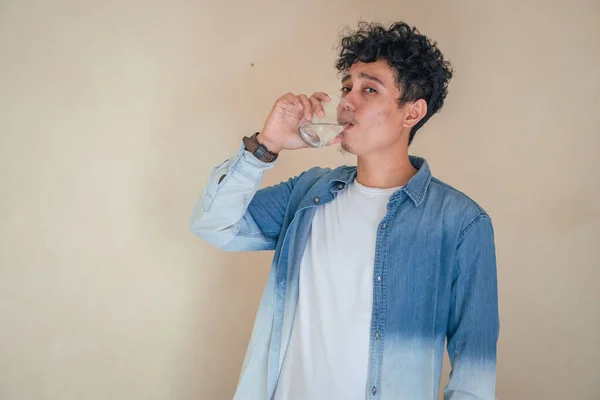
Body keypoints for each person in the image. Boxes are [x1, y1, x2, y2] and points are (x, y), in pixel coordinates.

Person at [190, 21, 499, 400]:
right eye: (346, 87)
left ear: (412, 113)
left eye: (369, 88)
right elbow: (214, 224)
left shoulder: (461, 224)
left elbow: (474, 377)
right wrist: (266, 145)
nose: (348, 101)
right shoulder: (309, 192)